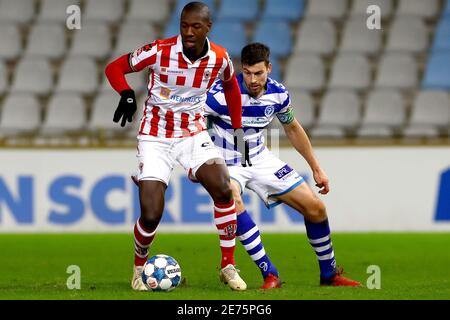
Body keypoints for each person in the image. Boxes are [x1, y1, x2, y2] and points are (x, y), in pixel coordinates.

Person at [105, 1, 250, 291]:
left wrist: (237, 128)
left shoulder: (219, 58)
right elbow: (115, 68)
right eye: (184, 25)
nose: (188, 32)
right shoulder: (159, 51)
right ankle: (138, 267)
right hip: (155, 136)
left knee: (223, 188)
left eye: (196, 26)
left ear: (208, 27)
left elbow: (232, 86)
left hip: (193, 134)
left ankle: (228, 265)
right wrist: (126, 93)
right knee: (151, 212)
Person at [204, 43, 362, 289]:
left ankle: (329, 275)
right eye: (246, 73)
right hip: (226, 162)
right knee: (231, 198)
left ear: (269, 68)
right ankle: (270, 274)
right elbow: (189, 122)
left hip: (259, 157)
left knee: (316, 209)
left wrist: (316, 168)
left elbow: (292, 128)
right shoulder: (218, 94)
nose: (252, 80)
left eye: (258, 73)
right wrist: (197, 162)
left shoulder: (278, 94)